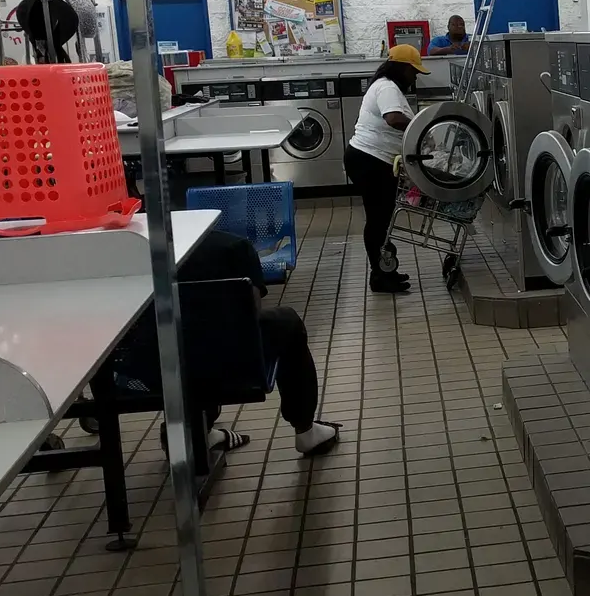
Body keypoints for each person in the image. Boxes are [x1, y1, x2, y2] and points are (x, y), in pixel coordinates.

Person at [178, 224, 339, 456]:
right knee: (287, 322)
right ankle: (305, 430)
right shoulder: (232, 247)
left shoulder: (135, 254)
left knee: (183, 340)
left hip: (148, 369)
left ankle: (196, 430)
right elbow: (249, 317)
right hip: (228, 358)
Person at [345, 43, 427, 293]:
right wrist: (421, 127)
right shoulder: (387, 88)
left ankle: (384, 269)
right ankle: (380, 275)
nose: (415, 77)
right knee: (378, 219)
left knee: (381, 218)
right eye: (413, 71)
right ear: (401, 68)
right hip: (369, 160)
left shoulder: (387, 87)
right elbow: (393, 119)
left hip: (371, 160)